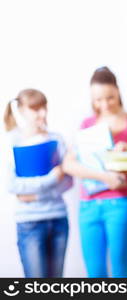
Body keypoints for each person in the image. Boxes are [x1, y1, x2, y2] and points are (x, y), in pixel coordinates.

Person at [63, 66, 127, 278]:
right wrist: (104, 177)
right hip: (88, 206)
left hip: (119, 205)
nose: (104, 104)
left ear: (118, 91)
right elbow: (69, 165)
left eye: (109, 97)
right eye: (98, 100)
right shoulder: (87, 125)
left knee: (122, 274)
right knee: (95, 275)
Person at [3, 89, 73, 278]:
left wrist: (36, 194)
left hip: (58, 218)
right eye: (35, 109)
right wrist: (51, 180)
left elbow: (68, 181)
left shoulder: (56, 139)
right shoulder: (11, 141)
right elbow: (12, 185)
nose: (41, 113)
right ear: (22, 110)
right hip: (29, 223)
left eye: (44, 108)